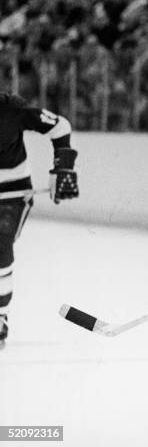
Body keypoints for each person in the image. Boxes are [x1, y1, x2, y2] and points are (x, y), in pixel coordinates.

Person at [0, 92, 79, 349]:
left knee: (0, 246)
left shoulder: (12, 108)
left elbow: (60, 126)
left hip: (11, 196)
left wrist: (63, 166)